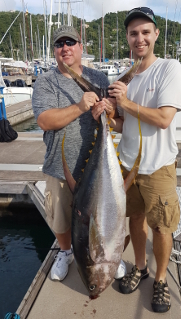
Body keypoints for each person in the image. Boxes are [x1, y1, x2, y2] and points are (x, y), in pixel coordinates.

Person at [107, 7, 181, 313]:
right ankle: (140, 267)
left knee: (162, 228)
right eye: (133, 33)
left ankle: (161, 279)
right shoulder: (125, 78)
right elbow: (125, 124)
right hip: (127, 167)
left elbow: (164, 119)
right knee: (134, 221)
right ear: (127, 38)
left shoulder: (169, 68)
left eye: (144, 32)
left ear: (155, 34)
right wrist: (110, 116)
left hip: (159, 167)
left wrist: (125, 102)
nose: (139, 38)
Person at [32, 25, 120, 282]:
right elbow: (45, 121)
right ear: (55, 51)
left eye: (71, 42)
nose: (65, 48)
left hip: (98, 167)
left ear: (81, 47)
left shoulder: (100, 79)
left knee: (104, 218)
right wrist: (81, 106)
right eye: (59, 44)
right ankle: (65, 252)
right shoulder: (46, 82)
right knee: (61, 219)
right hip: (61, 168)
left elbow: (113, 114)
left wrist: (107, 110)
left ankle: (110, 254)